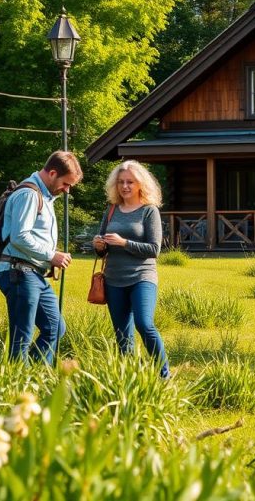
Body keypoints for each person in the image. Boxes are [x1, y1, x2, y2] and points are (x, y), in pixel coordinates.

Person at [0, 151, 83, 365]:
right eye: (66, 183)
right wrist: (51, 255)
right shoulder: (28, 194)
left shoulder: (45, 196)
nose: (67, 190)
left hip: (33, 274)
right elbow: (19, 237)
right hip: (18, 272)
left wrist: (48, 258)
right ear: (53, 173)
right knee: (22, 339)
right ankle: (18, 388)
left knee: (55, 327)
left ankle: (35, 376)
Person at [92, 160, 169, 379]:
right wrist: (99, 245)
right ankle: (128, 377)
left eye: (130, 182)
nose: (125, 186)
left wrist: (123, 242)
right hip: (113, 278)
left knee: (144, 324)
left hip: (142, 276)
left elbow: (154, 249)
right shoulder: (112, 210)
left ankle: (163, 375)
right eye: (120, 182)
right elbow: (102, 249)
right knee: (122, 334)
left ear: (140, 184)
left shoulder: (148, 211)